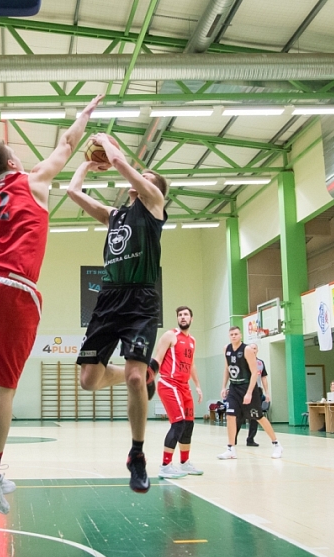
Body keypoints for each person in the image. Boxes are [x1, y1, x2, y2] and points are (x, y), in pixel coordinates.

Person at [0, 94, 104, 514]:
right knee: (3, 384)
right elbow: (67, 145)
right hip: (10, 288)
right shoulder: (33, 180)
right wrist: (84, 115)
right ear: (14, 163)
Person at [67, 134, 168, 494]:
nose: (141, 179)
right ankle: (134, 374)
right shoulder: (115, 216)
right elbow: (73, 193)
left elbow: (126, 167)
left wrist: (105, 141)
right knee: (89, 381)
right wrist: (85, 163)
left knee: (136, 379)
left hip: (141, 299)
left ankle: (137, 455)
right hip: (109, 299)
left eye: (147, 176)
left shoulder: (154, 204)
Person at [151, 306, 203, 479]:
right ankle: (165, 466)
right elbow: (157, 358)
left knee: (189, 424)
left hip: (184, 386)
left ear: (191, 319)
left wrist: (197, 386)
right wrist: (149, 378)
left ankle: (185, 463)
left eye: (186, 314)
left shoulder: (192, 341)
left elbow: (192, 365)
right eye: (180, 315)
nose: (182, 317)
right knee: (178, 423)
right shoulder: (170, 335)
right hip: (168, 383)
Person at [218, 326, 283, 460]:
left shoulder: (247, 350)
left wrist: (248, 393)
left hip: (248, 387)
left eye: (236, 334)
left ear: (240, 335)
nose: (234, 336)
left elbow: (255, 373)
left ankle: (276, 444)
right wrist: (223, 387)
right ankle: (230, 448)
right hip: (234, 387)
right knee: (230, 416)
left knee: (258, 417)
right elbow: (227, 369)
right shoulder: (226, 349)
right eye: (231, 334)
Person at [236, 343, 271, 447]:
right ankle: (233, 439)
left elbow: (264, 378)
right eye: (251, 348)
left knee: (255, 416)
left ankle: (250, 439)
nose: (253, 350)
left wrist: (267, 392)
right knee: (239, 416)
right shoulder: (242, 362)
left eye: (255, 348)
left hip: (257, 391)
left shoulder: (260, 363)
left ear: (257, 350)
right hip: (243, 390)